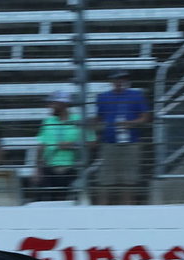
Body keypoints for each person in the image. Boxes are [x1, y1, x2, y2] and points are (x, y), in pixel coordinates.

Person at [93, 71, 151, 206]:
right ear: (111, 82)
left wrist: (131, 123)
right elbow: (99, 118)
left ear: (127, 81)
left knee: (129, 180)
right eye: (116, 80)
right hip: (109, 141)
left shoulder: (136, 96)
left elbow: (145, 117)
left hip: (131, 142)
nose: (119, 82)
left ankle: (127, 207)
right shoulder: (103, 97)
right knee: (105, 179)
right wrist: (95, 129)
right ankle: (103, 208)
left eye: (122, 79)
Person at [33, 91, 82, 201]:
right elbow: (41, 146)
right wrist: (37, 169)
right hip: (48, 168)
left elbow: (92, 144)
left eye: (52, 104)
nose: (49, 107)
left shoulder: (79, 121)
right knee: (46, 201)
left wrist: (73, 145)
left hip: (72, 168)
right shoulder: (48, 121)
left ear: (62, 104)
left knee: (66, 202)